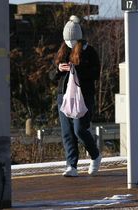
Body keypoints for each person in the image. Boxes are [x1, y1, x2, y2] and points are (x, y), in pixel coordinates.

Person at [52, 15, 102, 177]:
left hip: (83, 96)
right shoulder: (63, 51)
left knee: (79, 129)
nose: (69, 44)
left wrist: (78, 69)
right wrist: (59, 69)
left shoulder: (89, 52)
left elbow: (96, 73)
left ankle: (95, 155)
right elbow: (51, 76)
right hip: (64, 96)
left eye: (72, 40)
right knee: (67, 132)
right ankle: (71, 165)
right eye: (66, 40)